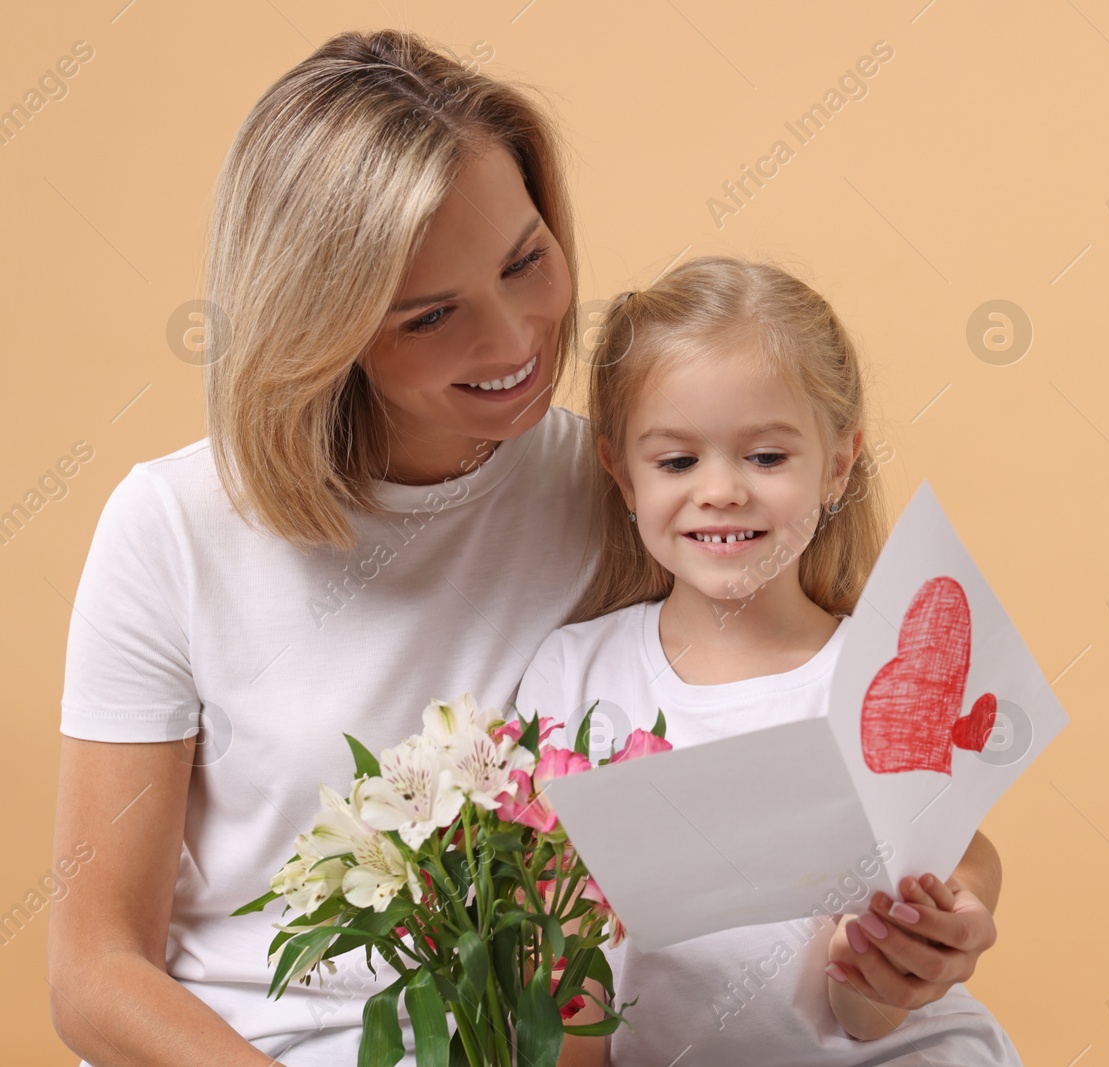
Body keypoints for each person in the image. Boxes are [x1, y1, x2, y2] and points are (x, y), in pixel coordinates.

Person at [47, 29, 1007, 1067]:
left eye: (526, 261)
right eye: (430, 315)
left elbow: (838, 776)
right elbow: (95, 971)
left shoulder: (631, 482)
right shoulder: (174, 527)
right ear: (320, 329)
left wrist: (924, 929)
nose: (513, 342)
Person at [516, 256, 1023, 1066]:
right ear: (621, 472)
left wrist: (896, 958)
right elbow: (555, 968)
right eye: (677, 461)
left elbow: (863, 1014)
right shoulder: (572, 678)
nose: (720, 490)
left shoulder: (877, 680)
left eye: (766, 457)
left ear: (839, 464)